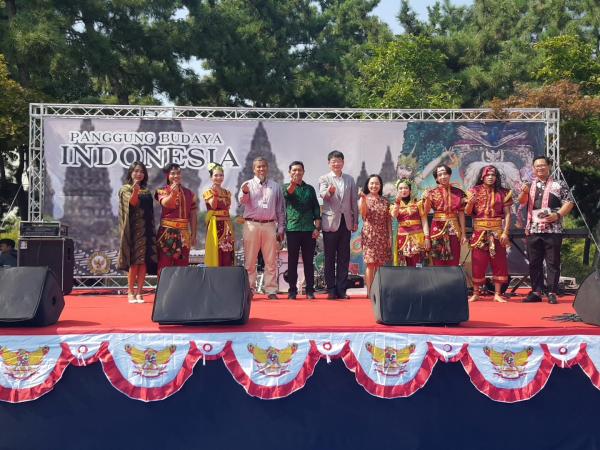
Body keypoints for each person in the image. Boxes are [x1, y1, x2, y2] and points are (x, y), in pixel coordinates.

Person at [518, 156, 574, 304]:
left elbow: (569, 202)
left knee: (553, 262)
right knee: (534, 262)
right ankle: (536, 291)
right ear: (533, 168)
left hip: (553, 229)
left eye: (543, 165)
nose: (540, 168)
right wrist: (524, 192)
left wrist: (558, 215)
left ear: (549, 166)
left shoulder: (559, 184)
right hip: (533, 228)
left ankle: (552, 292)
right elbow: (522, 202)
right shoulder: (529, 185)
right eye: (537, 166)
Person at [238, 157, 285, 299]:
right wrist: (245, 192)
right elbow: (242, 201)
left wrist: (281, 228)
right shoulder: (247, 184)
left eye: (264, 166)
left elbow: (280, 210)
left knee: (271, 260)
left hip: (270, 225)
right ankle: (250, 289)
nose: (261, 169)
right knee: (250, 260)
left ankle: (271, 290)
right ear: (254, 169)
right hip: (251, 225)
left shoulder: (275, 186)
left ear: (267, 168)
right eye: (258, 167)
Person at [465, 165, 513, 303]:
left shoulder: (504, 193)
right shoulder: (473, 191)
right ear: (482, 177)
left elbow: (508, 214)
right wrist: (470, 203)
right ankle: (476, 293)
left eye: (493, 175)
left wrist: (505, 232)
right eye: (488, 175)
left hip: (497, 231)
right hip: (479, 231)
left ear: (496, 177)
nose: (491, 177)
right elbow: (468, 212)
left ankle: (497, 294)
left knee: (499, 262)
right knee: (478, 263)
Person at [319, 150, 358, 300]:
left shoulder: (349, 179)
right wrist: (330, 192)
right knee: (329, 257)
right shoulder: (324, 178)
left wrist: (355, 221)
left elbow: (353, 201)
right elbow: (323, 195)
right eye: (333, 161)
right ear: (329, 163)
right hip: (330, 223)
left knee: (344, 257)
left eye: (339, 161)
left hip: (346, 222)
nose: (336, 164)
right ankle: (331, 289)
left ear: (343, 162)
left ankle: (341, 289)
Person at [117, 162, 157, 303]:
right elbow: (132, 203)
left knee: (143, 262)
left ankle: (140, 292)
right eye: (136, 171)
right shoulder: (125, 189)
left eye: (141, 172)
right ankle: (130, 292)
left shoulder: (146, 190)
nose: (139, 174)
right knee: (134, 263)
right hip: (133, 231)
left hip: (146, 230)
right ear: (130, 173)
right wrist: (135, 191)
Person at [283, 161, 321, 300]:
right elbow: (288, 195)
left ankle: (310, 290)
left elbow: (316, 208)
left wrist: (317, 227)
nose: (297, 172)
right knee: (292, 261)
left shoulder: (310, 189)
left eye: (299, 170)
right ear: (289, 172)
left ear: (303, 172)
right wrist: (293, 183)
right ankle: (292, 291)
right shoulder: (286, 187)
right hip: (292, 229)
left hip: (308, 229)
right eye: (294, 170)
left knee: (308, 261)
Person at [155, 163, 198, 276]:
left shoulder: (189, 193)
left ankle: (180, 287)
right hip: (167, 233)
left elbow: (193, 214)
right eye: (172, 173)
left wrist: (194, 234)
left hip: (184, 233)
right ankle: (163, 288)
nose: (176, 176)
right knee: (164, 265)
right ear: (167, 175)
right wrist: (173, 194)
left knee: (182, 266)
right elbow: (166, 204)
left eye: (178, 173)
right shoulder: (162, 191)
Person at [423, 164, 467, 266]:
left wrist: (464, 234)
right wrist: (427, 199)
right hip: (437, 229)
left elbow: (461, 214)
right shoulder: (432, 193)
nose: (443, 176)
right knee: (437, 261)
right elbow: (425, 211)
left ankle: (453, 276)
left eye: (445, 174)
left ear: (449, 175)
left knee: (454, 259)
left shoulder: (459, 193)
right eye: (440, 175)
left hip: (454, 228)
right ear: (436, 178)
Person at [359, 174, 391, 295]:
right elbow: (363, 214)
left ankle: (378, 291)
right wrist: (363, 199)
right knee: (370, 263)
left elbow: (388, 220)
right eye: (372, 183)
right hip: (369, 234)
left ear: (380, 185)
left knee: (380, 264)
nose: (374, 186)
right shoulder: (364, 198)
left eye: (377, 183)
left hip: (382, 234)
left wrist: (390, 236)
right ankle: (369, 291)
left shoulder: (385, 201)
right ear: (368, 185)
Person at [390, 179, 431, 267]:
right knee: (404, 264)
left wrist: (427, 237)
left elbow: (424, 220)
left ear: (410, 190)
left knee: (418, 264)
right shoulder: (394, 205)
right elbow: (394, 215)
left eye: (406, 188)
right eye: (400, 188)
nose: (403, 190)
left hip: (418, 236)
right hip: (403, 238)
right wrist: (397, 202)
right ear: (397, 191)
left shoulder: (418, 203)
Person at [203, 163, 234, 267]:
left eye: (221, 175)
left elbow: (227, 208)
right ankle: (215, 275)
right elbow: (213, 206)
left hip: (227, 224)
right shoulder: (208, 192)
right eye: (216, 175)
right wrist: (215, 195)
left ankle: (227, 274)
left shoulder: (227, 193)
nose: (219, 178)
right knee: (216, 251)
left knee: (227, 251)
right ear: (211, 177)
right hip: (215, 225)